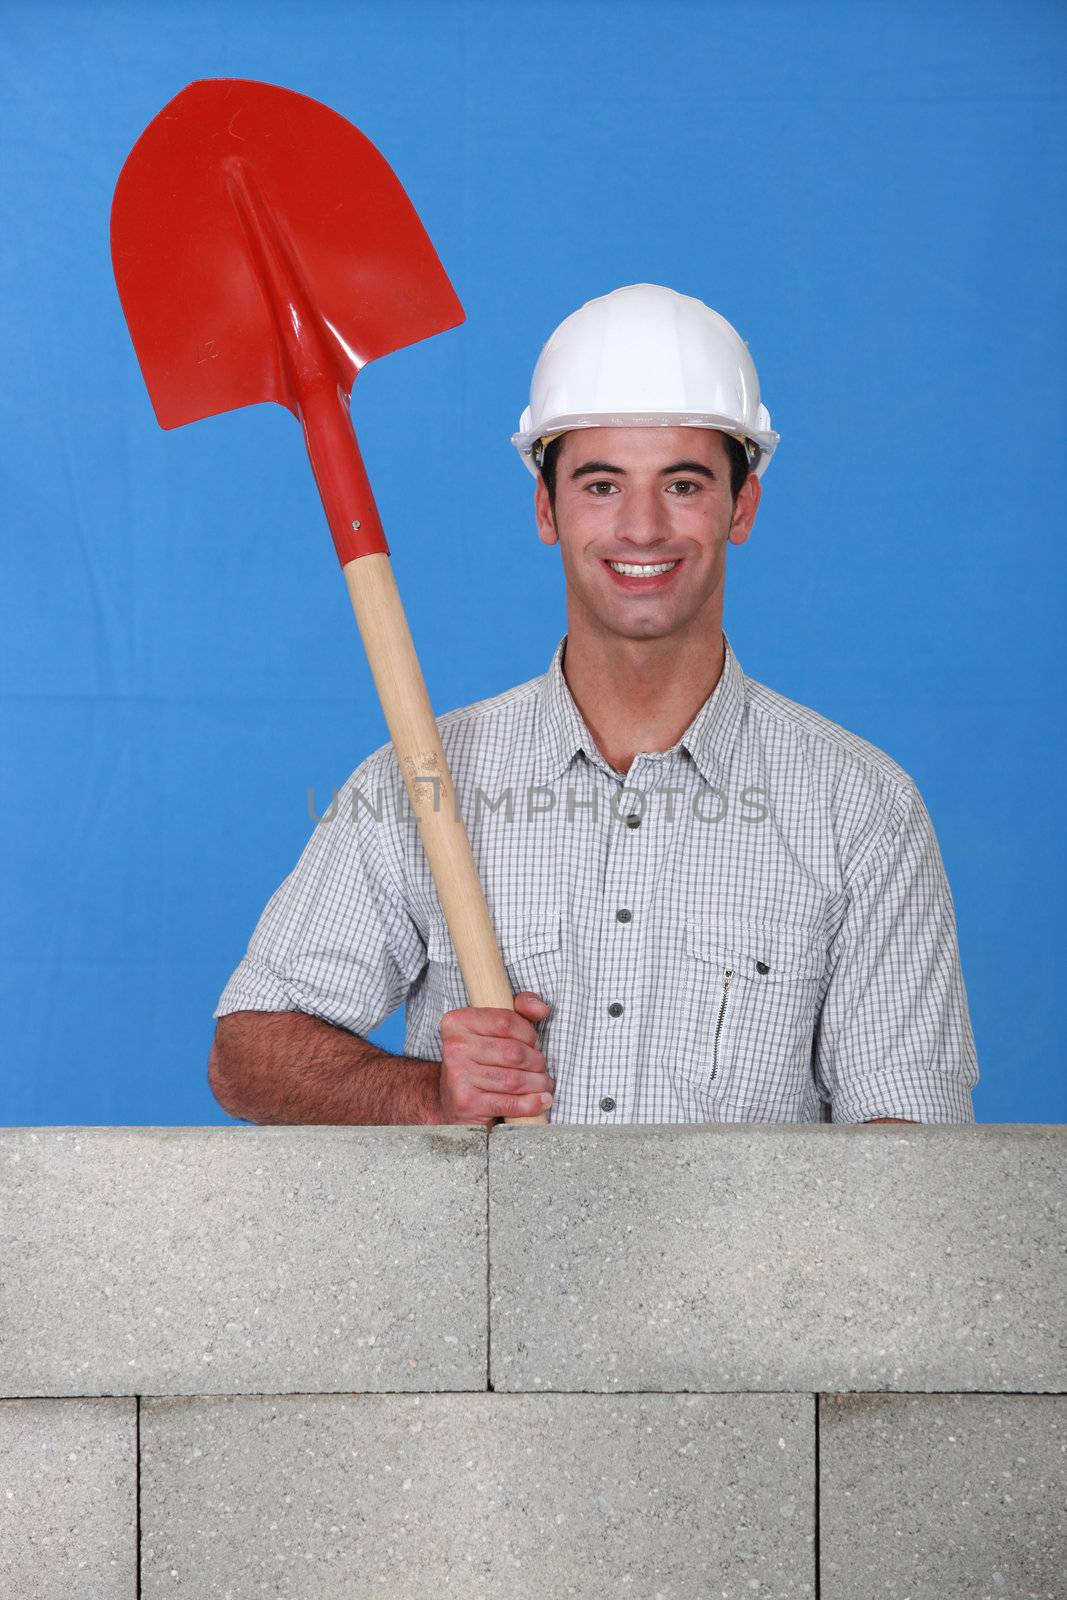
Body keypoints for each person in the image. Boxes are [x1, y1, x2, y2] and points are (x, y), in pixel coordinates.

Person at [208, 283, 978, 1129]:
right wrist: (425, 1094)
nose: (641, 528)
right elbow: (247, 1056)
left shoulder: (861, 808)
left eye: (682, 485)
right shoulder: (421, 779)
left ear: (742, 506)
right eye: (601, 485)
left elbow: (907, 1150)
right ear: (547, 508)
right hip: (485, 1266)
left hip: (752, 1266)